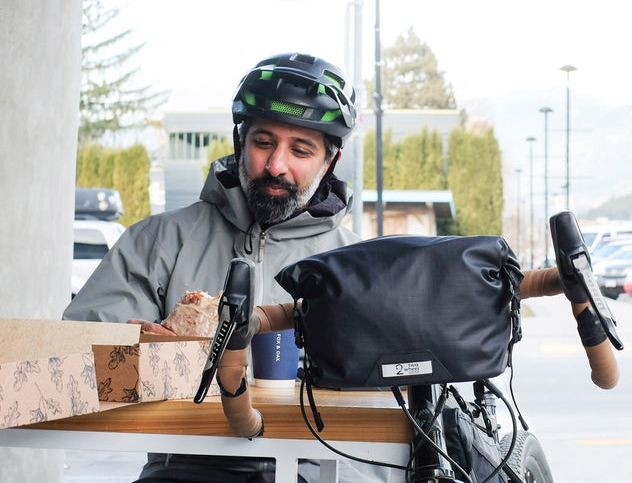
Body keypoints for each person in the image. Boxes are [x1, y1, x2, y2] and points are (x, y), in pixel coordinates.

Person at [63, 53, 394, 482]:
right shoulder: (160, 241)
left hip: (315, 470)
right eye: (263, 143)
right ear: (240, 141)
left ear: (329, 161)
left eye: (300, 150)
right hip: (181, 468)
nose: (276, 165)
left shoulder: (357, 267)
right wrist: (154, 365)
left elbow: (389, 406)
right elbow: (70, 370)